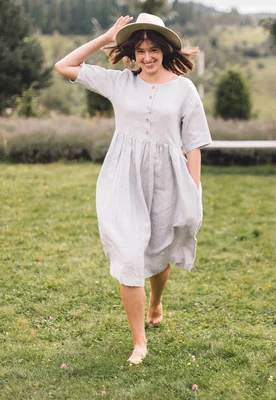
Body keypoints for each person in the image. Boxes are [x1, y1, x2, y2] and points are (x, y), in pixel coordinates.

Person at [55, 13, 212, 365]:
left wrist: (193, 191)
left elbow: (195, 145)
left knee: (159, 252)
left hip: (169, 181)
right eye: (139, 50)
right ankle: (139, 342)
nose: (147, 57)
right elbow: (64, 65)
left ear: (165, 50)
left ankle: (156, 300)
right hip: (122, 180)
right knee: (129, 256)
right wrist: (105, 37)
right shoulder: (120, 83)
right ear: (131, 53)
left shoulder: (184, 89)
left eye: (153, 49)